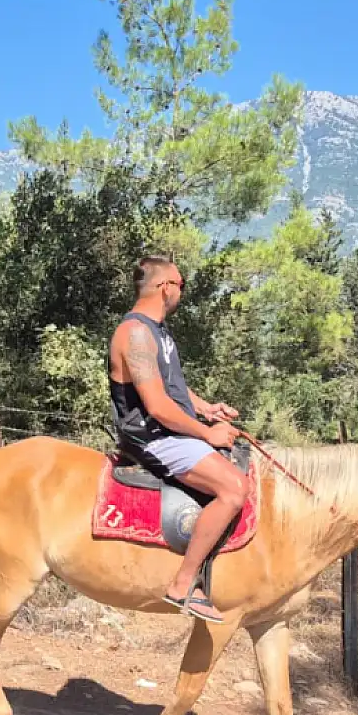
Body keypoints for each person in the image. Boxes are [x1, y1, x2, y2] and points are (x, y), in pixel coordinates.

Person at [107, 256, 250, 624]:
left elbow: (172, 387)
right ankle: (183, 584)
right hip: (152, 436)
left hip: (169, 427)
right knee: (234, 488)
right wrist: (207, 433)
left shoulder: (158, 331)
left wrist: (205, 409)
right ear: (165, 287)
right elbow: (156, 406)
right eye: (180, 284)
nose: (181, 292)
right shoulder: (135, 333)